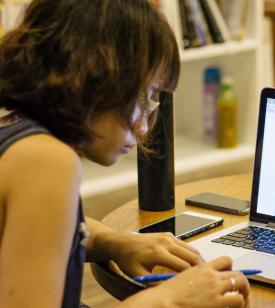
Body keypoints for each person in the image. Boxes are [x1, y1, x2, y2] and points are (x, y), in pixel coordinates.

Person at [0, 1, 249, 307]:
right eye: (143, 98)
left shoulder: (14, 129)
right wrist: (170, 299)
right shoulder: (47, 162)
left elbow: (29, 233)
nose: (144, 126)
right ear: (98, 78)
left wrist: (114, 241)